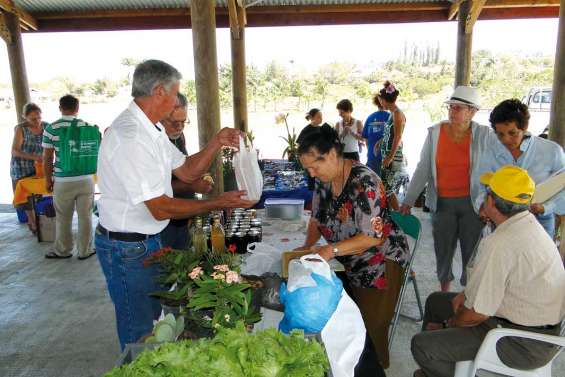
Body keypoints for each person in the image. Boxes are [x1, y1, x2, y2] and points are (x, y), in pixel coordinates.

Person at [95, 59, 256, 350]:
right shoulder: (130, 136)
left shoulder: (151, 131)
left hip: (147, 240)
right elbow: (160, 207)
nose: (176, 102)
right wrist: (217, 202)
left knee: (159, 324)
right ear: (159, 92)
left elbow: (186, 170)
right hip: (126, 247)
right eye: (174, 93)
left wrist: (216, 142)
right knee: (139, 333)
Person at [411, 166, 565, 377]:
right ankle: (436, 369)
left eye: (487, 193)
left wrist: (448, 324)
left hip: (522, 343)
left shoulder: (500, 243)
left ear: (491, 201)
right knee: (436, 302)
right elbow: (493, 284)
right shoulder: (526, 224)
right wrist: (465, 297)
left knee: (422, 346)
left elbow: (476, 314)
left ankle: (446, 371)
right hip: (531, 327)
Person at [295, 124, 410, 369]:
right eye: (308, 169)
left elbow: (372, 237)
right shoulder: (324, 181)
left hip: (380, 263)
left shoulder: (364, 182)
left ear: (334, 154)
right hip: (350, 260)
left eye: (315, 166)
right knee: (345, 324)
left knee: (369, 331)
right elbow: (317, 218)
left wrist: (331, 250)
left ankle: (377, 369)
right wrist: (306, 246)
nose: (312, 173)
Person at [400, 86, 493, 291]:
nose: (452, 112)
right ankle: (445, 292)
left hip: (473, 204)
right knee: (443, 250)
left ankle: (469, 295)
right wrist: (408, 199)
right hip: (441, 203)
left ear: (472, 112)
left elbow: (496, 166)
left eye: (458, 108)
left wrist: (490, 203)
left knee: (472, 252)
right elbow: (423, 167)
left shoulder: (484, 134)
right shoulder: (435, 133)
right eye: (451, 107)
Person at [478, 99, 564, 238]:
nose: (506, 139)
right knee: (504, 257)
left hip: (539, 221)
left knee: (536, 258)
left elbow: (562, 187)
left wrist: (546, 207)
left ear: (524, 127)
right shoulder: (490, 153)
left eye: (512, 133)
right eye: (500, 134)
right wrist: (483, 206)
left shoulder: (551, 151)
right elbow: (479, 185)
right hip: (501, 220)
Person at [42, 95, 100, 260]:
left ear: (60, 108)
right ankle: (85, 251)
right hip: (87, 179)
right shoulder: (87, 126)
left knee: (63, 218)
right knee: (86, 216)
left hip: (63, 181)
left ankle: (63, 250)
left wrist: (47, 180)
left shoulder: (52, 128)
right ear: (77, 108)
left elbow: (47, 158)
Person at [160, 92, 213, 249]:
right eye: (173, 122)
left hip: (181, 216)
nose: (179, 127)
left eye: (183, 122)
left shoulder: (179, 137)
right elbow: (158, 189)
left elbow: (184, 168)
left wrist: (198, 176)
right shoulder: (153, 142)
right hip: (162, 222)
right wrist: (191, 185)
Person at [10, 103, 46, 234]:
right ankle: (32, 222)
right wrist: (35, 157)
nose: (37, 121)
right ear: (24, 117)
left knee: (38, 193)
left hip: (39, 167)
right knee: (25, 197)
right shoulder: (20, 129)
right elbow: (14, 151)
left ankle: (39, 219)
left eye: (39, 118)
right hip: (21, 167)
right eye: (33, 119)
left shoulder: (46, 126)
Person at [379, 81, 409, 209]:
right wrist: (380, 143)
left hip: (392, 157)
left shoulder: (397, 113)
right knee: (386, 188)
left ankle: (397, 216)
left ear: (384, 100)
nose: (381, 103)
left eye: (381, 100)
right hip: (388, 154)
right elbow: (391, 135)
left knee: (388, 188)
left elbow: (398, 136)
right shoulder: (393, 113)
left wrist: (390, 157)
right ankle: (393, 215)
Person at [363, 94, 389, 176]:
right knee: (386, 185)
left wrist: (370, 151)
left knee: (374, 183)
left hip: (372, 155)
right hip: (388, 157)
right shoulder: (390, 117)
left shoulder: (370, 117)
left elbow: (366, 139)